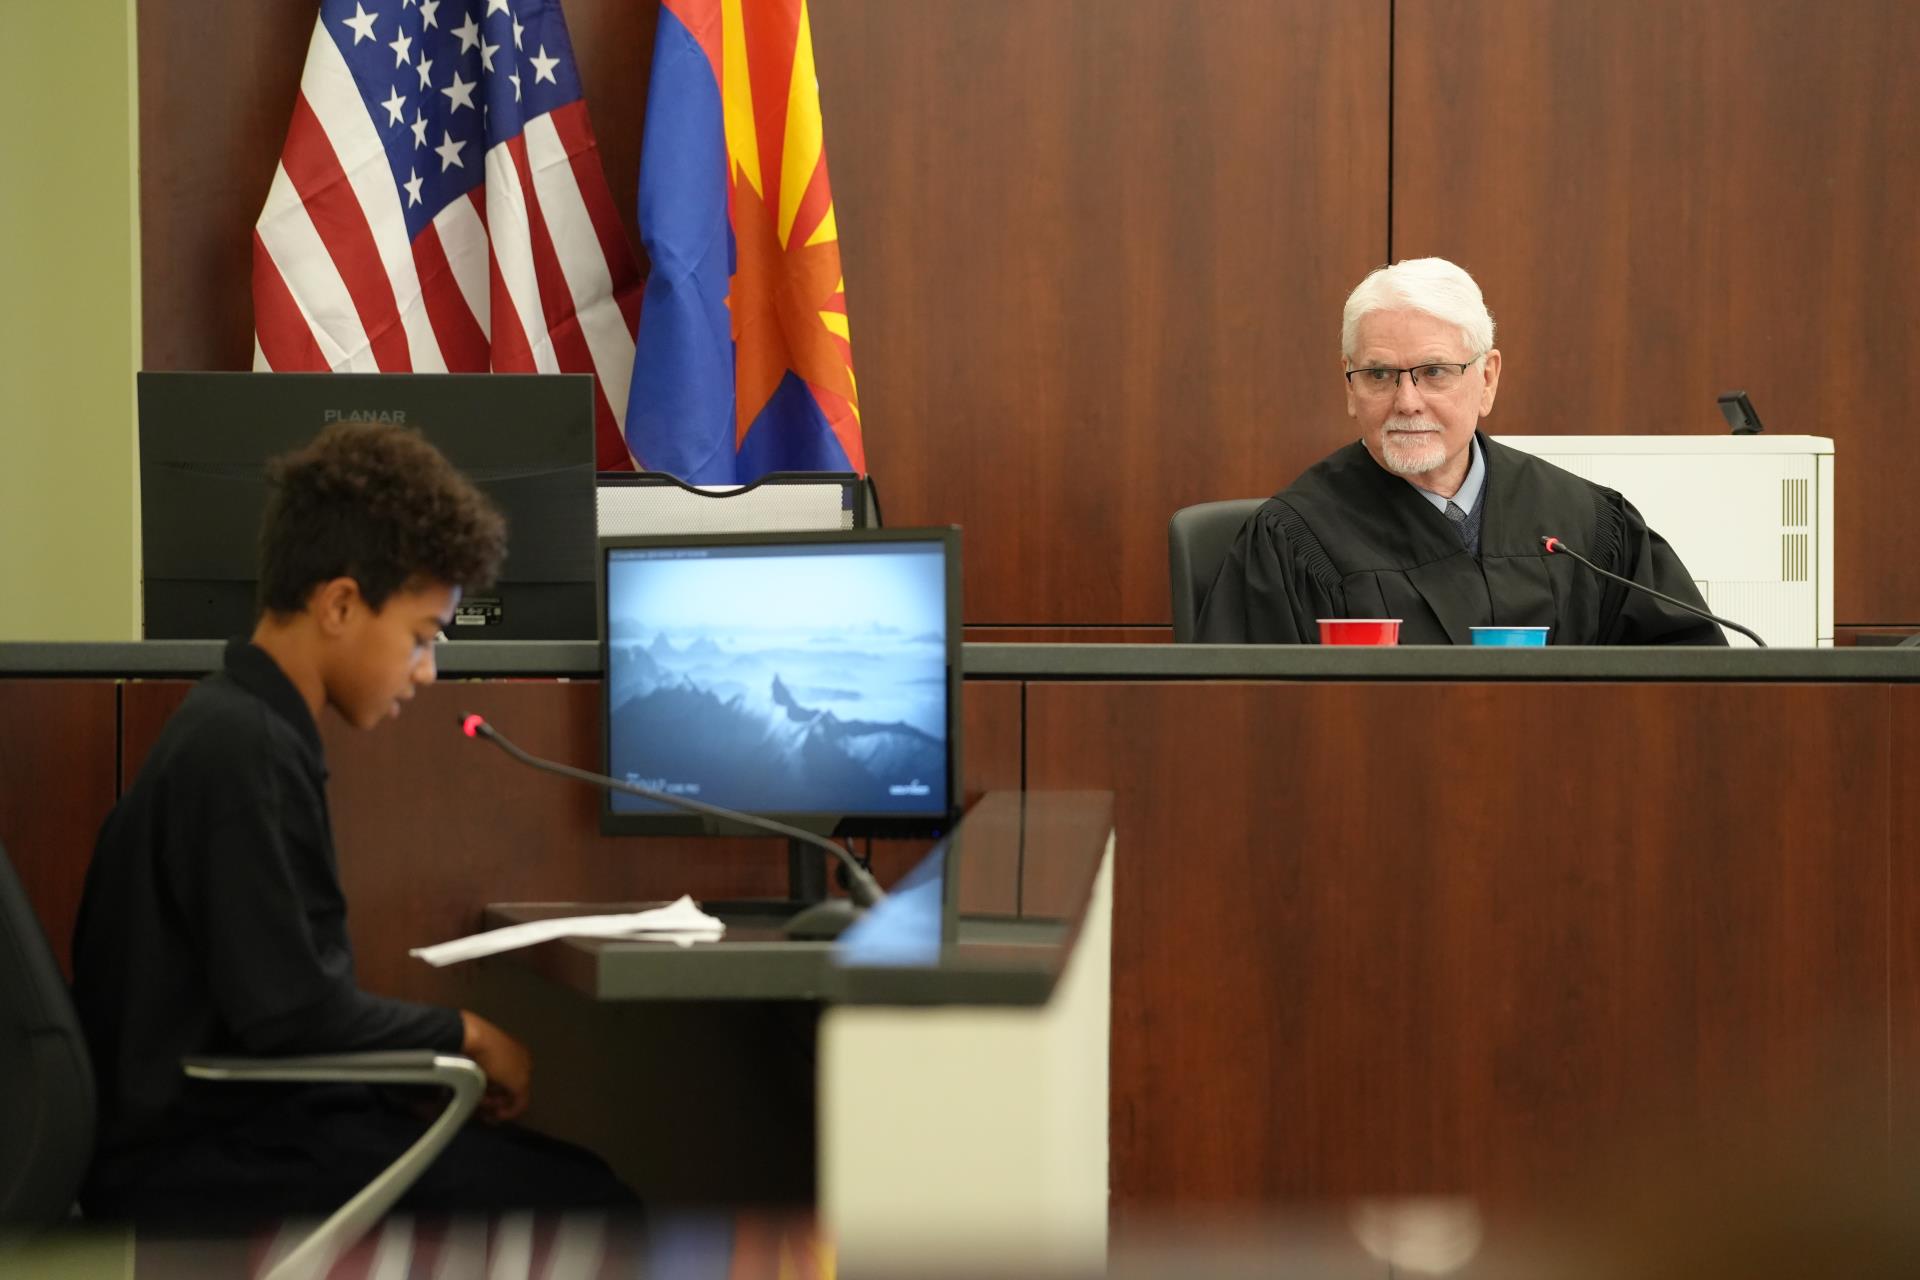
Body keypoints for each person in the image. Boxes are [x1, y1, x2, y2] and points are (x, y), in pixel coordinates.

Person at [71, 423, 633, 1229]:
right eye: (419, 637)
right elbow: (292, 1015)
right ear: (340, 604)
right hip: (203, 1161)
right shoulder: (244, 751)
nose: (427, 671)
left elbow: (275, 1009)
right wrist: (466, 1032)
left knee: (573, 1180)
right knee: (598, 1207)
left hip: (233, 1130)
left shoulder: (242, 727)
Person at [1195, 257, 1727, 645]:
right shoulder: (1294, 540)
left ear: (1488, 378)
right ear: (1349, 385)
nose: (1407, 402)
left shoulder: (1586, 527)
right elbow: (1246, 728)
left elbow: (1682, 692)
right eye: (1379, 374)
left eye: (1434, 372)